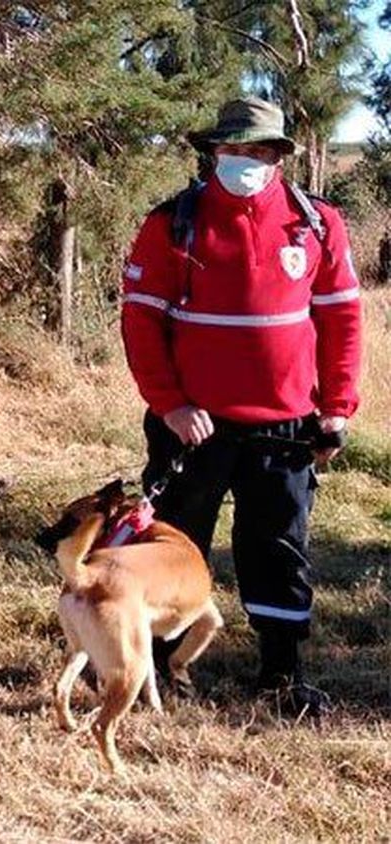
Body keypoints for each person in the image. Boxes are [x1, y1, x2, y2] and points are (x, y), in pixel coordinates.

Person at [120, 97, 362, 716]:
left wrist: (336, 409)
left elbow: (341, 320)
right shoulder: (172, 222)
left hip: (285, 426)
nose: (244, 162)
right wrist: (170, 406)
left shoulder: (316, 223)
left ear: (278, 156)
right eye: (233, 150)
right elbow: (141, 324)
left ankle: (282, 673)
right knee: (175, 545)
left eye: (258, 151)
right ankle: (156, 667)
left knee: (278, 545)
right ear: (213, 153)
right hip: (193, 426)